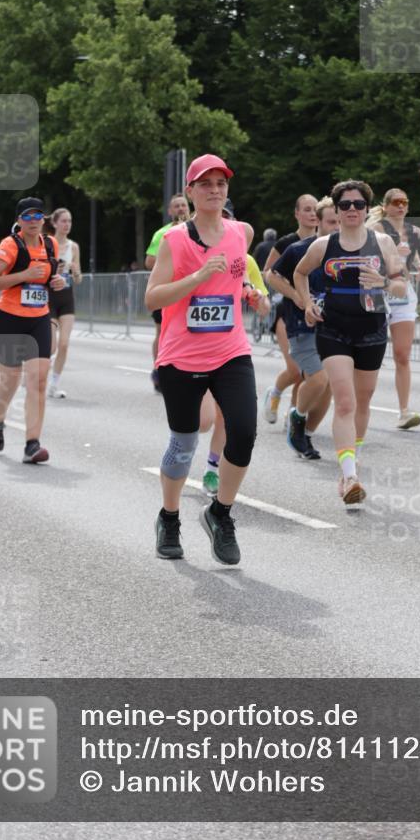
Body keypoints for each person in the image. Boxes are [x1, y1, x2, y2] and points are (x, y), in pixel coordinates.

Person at [145, 154, 257, 565]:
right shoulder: (176, 239)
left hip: (230, 351)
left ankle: (220, 514)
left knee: (243, 432)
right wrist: (194, 278)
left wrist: (249, 292)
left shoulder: (238, 233)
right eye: (205, 183)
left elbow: (235, 277)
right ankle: (169, 517)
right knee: (183, 443)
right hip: (182, 356)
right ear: (190, 192)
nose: (214, 190)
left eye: (221, 183)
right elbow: (152, 298)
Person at [294, 180, 406, 505]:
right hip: (334, 330)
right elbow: (300, 274)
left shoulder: (382, 242)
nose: (352, 210)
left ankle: (347, 467)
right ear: (337, 210)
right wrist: (308, 303)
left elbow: (401, 287)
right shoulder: (323, 245)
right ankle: (350, 474)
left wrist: (384, 281)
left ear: (366, 208)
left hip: (371, 329)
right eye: (345, 205)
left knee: (363, 401)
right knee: (344, 402)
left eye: (358, 204)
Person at [0, 198, 66, 463]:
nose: (33, 221)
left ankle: (32, 444)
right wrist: (24, 275)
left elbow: (52, 276)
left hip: (38, 319)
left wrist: (57, 280)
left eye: (37, 216)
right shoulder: (10, 245)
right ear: (19, 221)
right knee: (10, 380)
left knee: (38, 381)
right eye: (27, 217)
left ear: (44, 219)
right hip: (8, 319)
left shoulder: (51, 244)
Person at [199, 199, 270, 496]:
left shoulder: (246, 259)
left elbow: (264, 306)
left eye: (226, 218)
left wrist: (256, 298)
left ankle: (212, 469)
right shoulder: (190, 248)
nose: (221, 223)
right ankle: (180, 449)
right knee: (202, 422)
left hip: (230, 348)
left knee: (227, 417)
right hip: (193, 348)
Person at [269, 196, 338, 459]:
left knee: (328, 386)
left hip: (335, 328)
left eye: (339, 222)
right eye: (331, 222)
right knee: (318, 378)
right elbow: (272, 276)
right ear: (318, 222)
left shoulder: (348, 251)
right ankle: (297, 415)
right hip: (302, 327)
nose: (336, 227)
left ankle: (304, 435)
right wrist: (298, 297)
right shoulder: (300, 250)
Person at [366, 188, 420, 429]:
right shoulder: (377, 229)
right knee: (370, 355)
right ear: (386, 205)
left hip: (403, 294)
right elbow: (369, 259)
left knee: (402, 354)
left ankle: (404, 411)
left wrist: (419, 267)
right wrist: (393, 256)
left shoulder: (415, 231)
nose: (401, 206)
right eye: (396, 202)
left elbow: (417, 259)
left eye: (405, 202)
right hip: (379, 292)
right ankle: (361, 402)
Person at [262, 195, 319, 424]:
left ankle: (293, 416)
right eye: (307, 209)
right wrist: (293, 293)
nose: (312, 213)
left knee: (308, 372)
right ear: (296, 214)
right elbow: (268, 273)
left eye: (316, 209)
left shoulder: (325, 243)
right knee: (296, 370)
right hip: (288, 314)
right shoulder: (287, 243)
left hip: (315, 315)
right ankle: (275, 393)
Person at [144, 193, 191, 392]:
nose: (180, 209)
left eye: (183, 205)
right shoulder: (161, 233)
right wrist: (171, 262)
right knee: (162, 331)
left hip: (191, 291)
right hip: (168, 292)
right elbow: (149, 261)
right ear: (170, 211)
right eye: (176, 206)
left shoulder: (198, 230)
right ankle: (159, 368)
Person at [47, 207, 83, 398]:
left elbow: (78, 279)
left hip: (67, 298)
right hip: (49, 298)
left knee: (64, 344)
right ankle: (34, 371)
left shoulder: (73, 247)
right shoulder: (46, 244)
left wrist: (75, 271)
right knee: (51, 346)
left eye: (69, 221)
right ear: (54, 223)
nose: (67, 225)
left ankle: (54, 384)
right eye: (63, 221)